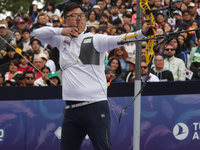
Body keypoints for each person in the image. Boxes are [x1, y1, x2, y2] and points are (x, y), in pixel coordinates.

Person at [34, 2, 151, 150]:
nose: (79, 19)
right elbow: (37, 33)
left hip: (95, 107)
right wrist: (62, 31)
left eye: (81, 15)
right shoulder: (60, 39)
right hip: (71, 109)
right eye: (73, 16)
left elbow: (120, 39)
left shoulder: (95, 39)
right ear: (65, 20)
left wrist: (142, 32)